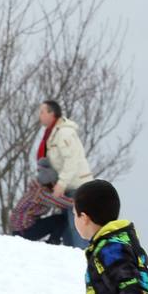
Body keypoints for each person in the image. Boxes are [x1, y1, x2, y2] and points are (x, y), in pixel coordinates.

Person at [37, 99, 95, 247]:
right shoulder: (52, 134)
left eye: (42, 112)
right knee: (67, 227)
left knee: (77, 227)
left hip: (78, 186)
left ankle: (83, 257)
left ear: (52, 113)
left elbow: (72, 160)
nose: (40, 115)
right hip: (68, 187)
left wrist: (61, 184)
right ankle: (71, 257)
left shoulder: (64, 133)